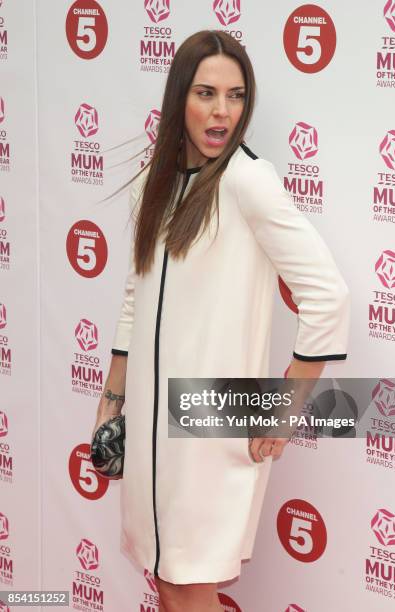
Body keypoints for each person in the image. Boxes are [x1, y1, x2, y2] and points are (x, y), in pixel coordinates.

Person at [92, 30, 350, 612]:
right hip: (153, 422)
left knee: (190, 585)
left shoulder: (248, 180)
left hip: (209, 418)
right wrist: (113, 396)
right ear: (179, 97)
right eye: (206, 93)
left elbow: (328, 295)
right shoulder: (153, 182)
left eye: (235, 96)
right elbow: (136, 291)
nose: (222, 112)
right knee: (166, 582)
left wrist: (287, 406)